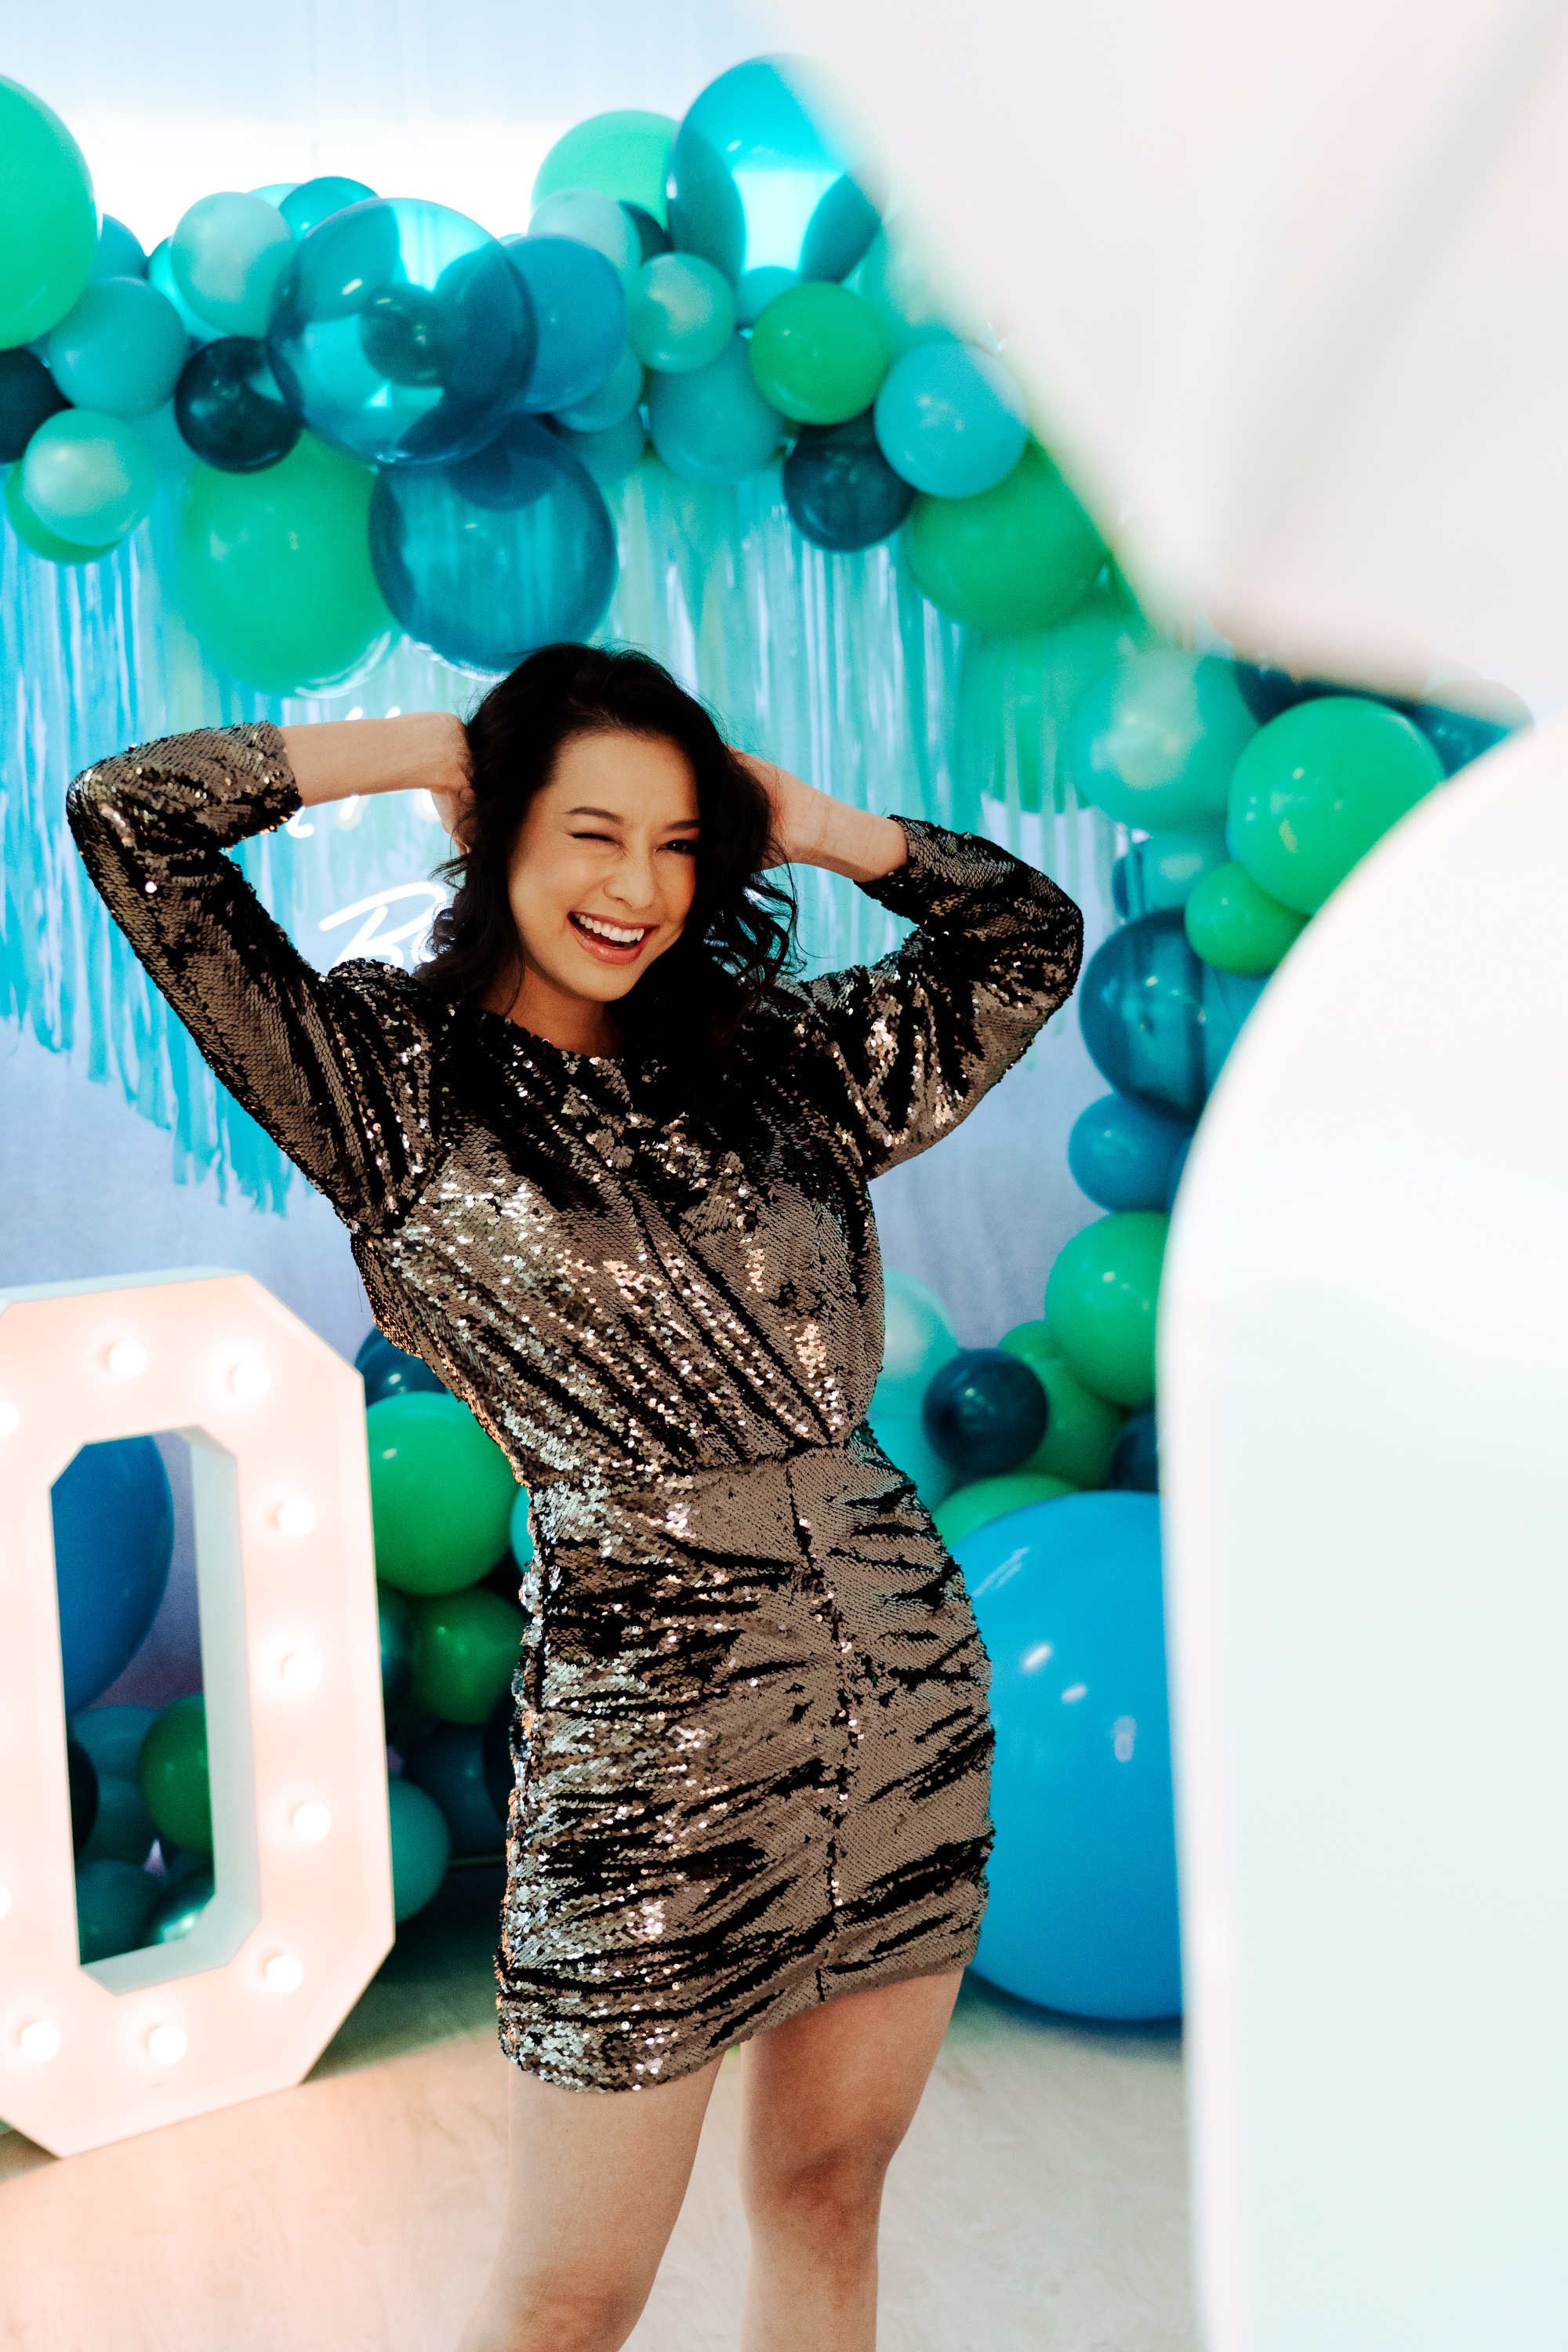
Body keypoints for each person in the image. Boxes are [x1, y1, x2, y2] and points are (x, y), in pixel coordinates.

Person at [68, 643, 1083, 2352]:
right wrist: (418, 747)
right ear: (504, 832)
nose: (634, 888)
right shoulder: (387, 1085)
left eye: (680, 845)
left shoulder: (786, 1066)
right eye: (589, 829)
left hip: (902, 1686)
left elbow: (1024, 936)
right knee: (566, 2298)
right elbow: (131, 820)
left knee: (830, 2197)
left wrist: (821, 826)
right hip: (649, 1725)